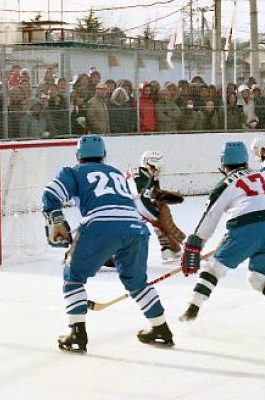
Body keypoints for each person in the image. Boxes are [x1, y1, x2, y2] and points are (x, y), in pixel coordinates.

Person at [43, 135, 174, 353]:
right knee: (137, 283)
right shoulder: (116, 172)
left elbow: (50, 194)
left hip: (99, 227)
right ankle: (161, 328)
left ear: (78, 155)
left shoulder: (74, 171)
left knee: (72, 276)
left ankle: (77, 333)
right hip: (135, 228)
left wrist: (56, 219)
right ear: (104, 156)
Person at [178, 142, 265, 328]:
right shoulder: (262, 177)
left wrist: (195, 245)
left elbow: (211, 215)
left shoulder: (226, 182)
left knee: (213, 269)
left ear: (223, 165)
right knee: (258, 278)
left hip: (247, 227)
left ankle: (191, 312)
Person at [125, 151, 186, 263]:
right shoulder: (141, 178)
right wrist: (158, 217)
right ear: (149, 165)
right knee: (161, 214)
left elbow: (151, 193)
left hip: (124, 210)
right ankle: (179, 243)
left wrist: (161, 195)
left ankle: (168, 248)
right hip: (127, 212)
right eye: (158, 167)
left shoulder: (144, 174)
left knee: (159, 212)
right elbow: (142, 203)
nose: (159, 170)